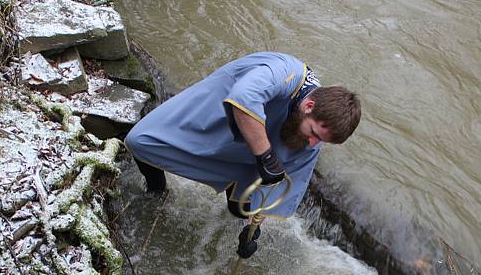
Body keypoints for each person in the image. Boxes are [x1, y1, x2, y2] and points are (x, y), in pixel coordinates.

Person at [124, 51, 361, 258]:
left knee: (240, 209)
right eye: (314, 133)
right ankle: (156, 190)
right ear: (308, 106)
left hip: (254, 150)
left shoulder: (313, 134)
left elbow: (281, 185)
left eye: (321, 141)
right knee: (139, 141)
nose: (313, 143)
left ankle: (234, 191)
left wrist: (252, 229)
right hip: (215, 113)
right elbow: (243, 97)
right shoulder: (284, 71)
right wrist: (266, 156)